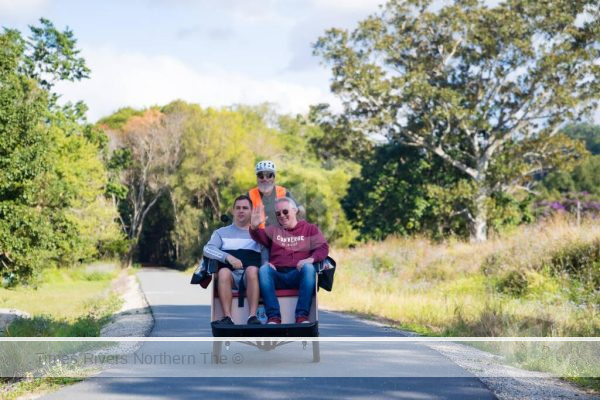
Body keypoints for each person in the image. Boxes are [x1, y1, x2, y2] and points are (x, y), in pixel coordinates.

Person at [250, 197, 329, 324]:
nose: (282, 215)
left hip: (298, 274)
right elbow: (259, 236)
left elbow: (323, 248)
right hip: (278, 275)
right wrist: (254, 227)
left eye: (285, 212)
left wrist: (309, 259)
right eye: (278, 213)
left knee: (309, 268)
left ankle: (302, 316)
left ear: (295, 210)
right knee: (264, 269)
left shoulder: (310, 229)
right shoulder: (273, 230)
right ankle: (274, 317)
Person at [204, 195, 266, 325]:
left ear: (251, 211)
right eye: (238, 208)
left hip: (251, 277)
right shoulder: (221, 232)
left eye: (245, 208)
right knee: (223, 272)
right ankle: (227, 317)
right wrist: (228, 257)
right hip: (229, 278)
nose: (241, 211)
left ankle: (252, 317)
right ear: (233, 211)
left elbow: (270, 252)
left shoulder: (259, 233)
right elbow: (207, 249)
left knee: (252, 270)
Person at [247, 160, 305, 228]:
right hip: (258, 235)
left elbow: (301, 210)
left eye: (269, 175)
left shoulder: (284, 192)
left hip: (282, 235)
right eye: (261, 176)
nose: (265, 179)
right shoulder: (250, 195)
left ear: (274, 177)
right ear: (257, 178)